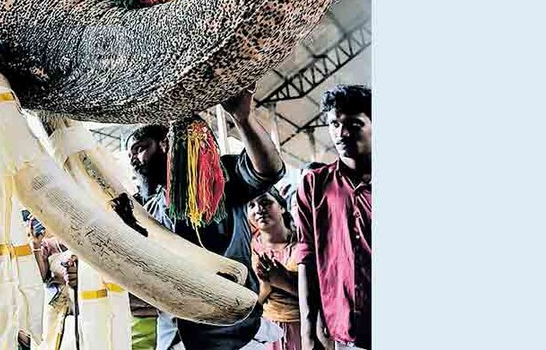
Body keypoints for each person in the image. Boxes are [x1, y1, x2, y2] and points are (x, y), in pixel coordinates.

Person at [126, 87, 286, 350]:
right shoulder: (148, 208)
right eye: (130, 153)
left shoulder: (220, 177)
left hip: (235, 338)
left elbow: (267, 170)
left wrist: (243, 119)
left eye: (140, 148)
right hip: (175, 339)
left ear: (166, 143)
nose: (134, 159)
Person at [295, 86, 371, 350]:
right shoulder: (314, 185)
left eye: (354, 124)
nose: (342, 133)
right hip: (344, 330)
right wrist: (308, 329)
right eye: (335, 124)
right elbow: (307, 258)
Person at [247, 188, 301, 350]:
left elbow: (323, 293)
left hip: (303, 327)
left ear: (282, 207)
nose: (258, 210)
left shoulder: (304, 244)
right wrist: (265, 287)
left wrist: (284, 281)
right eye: (251, 205)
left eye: (265, 202)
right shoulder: (248, 248)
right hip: (264, 331)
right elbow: (248, 301)